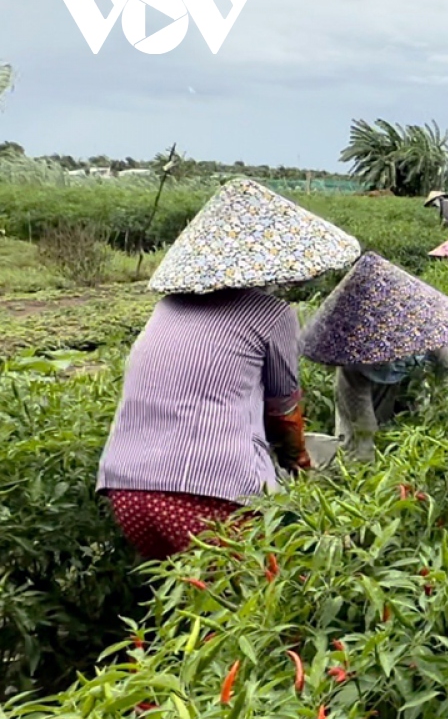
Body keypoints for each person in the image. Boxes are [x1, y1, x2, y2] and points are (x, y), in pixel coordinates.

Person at [97, 178, 361, 560]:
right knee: (257, 605)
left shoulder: (166, 308)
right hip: (211, 492)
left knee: (192, 604)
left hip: (127, 490)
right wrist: (301, 467)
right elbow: (284, 411)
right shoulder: (273, 314)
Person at [300, 252, 448, 462]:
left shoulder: (433, 330)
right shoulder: (353, 355)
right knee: (358, 441)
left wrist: (444, 413)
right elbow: (362, 426)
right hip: (364, 376)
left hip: (414, 378)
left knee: (413, 426)